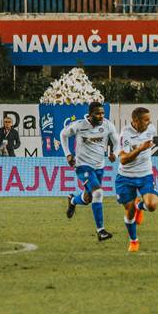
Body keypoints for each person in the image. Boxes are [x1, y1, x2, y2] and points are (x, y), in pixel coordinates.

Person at [62, 101, 119, 243]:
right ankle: (101, 231)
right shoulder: (79, 125)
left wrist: (115, 154)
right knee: (98, 192)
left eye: (102, 113)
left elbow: (117, 142)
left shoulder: (107, 125)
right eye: (98, 113)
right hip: (82, 166)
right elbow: (63, 134)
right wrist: (68, 154)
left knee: (88, 198)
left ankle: (73, 200)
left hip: (99, 167)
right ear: (90, 114)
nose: (101, 116)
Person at [116, 107, 158, 253]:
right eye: (146, 120)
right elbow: (123, 160)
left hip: (145, 174)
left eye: (149, 119)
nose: (149, 122)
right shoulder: (125, 134)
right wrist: (140, 148)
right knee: (129, 211)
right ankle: (134, 241)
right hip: (126, 177)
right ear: (135, 121)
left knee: (152, 205)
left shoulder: (151, 129)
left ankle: (140, 205)